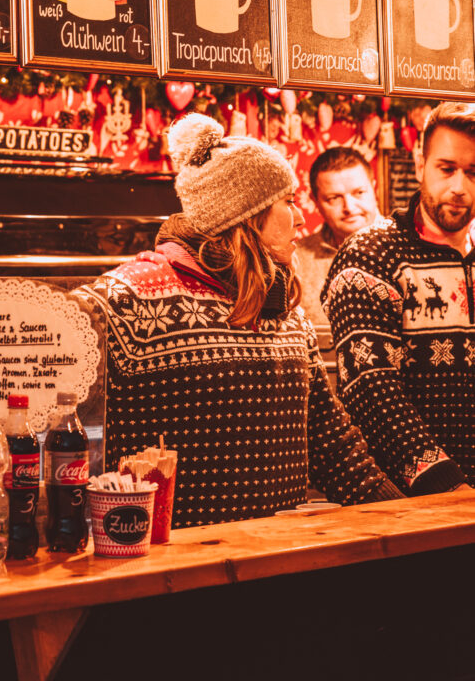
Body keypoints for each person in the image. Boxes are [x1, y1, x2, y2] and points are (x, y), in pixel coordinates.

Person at [77, 113, 400, 528]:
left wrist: (416, 520)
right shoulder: (123, 300)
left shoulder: (286, 313)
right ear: (247, 215)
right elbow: (52, 422)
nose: (301, 218)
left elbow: (335, 450)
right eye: (288, 202)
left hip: (279, 565)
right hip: (166, 573)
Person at [322, 101, 475, 496]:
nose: (459, 187)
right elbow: (371, 390)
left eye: (473, 172)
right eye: (447, 168)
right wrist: (445, 485)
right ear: (420, 162)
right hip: (408, 505)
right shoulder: (370, 255)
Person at [297, 147, 385, 351]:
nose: (349, 207)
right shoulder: (294, 261)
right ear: (315, 201)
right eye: (334, 198)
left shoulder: (408, 250)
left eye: (359, 193)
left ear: (374, 188)